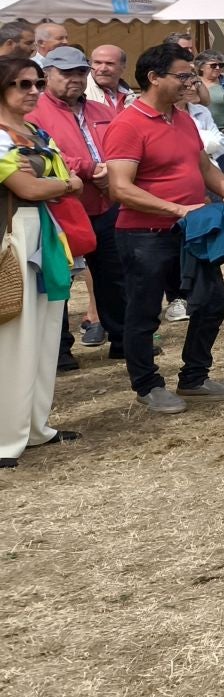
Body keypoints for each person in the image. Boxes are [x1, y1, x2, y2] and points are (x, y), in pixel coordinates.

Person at [101, 42, 224, 414]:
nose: (190, 82)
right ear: (154, 78)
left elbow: (201, 165)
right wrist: (177, 209)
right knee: (144, 312)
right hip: (143, 236)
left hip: (189, 231)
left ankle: (194, 376)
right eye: (182, 75)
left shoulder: (181, 117)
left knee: (213, 301)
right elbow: (120, 188)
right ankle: (147, 384)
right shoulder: (127, 124)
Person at [0, 57, 84, 467]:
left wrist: (60, 183)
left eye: (36, 83)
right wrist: (64, 184)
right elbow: (27, 186)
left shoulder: (36, 132)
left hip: (46, 233)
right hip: (13, 234)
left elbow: (63, 176)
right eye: (22, 84)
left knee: (47, 332)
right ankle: (5, 439)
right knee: (15, 337)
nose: (33, 91)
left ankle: (36, 427)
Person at [30, 45, 124, 357]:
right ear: (48, 74)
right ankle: (59, 351)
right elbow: (42, 153)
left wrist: (111, 167)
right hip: (61, 207)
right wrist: (86, 168)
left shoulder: (100, 110)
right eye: (66, 72)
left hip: (105, 203)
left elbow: (119, 144)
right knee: (58, 280)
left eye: (80, 72)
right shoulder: (34, 111)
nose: (75, 78)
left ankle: (123, 340)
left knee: (113, 275)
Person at [86, 44, 135, 113]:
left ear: (123, 67)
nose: (103, 69)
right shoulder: (80, 94)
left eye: (109, 64)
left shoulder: (130, 95)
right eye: (98, 63)